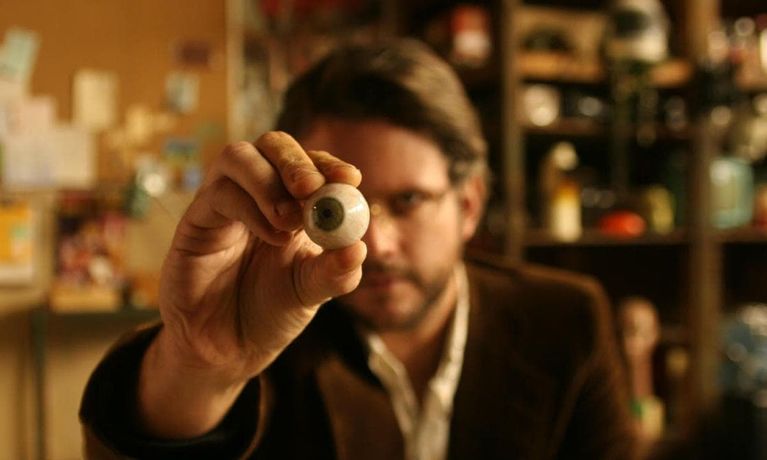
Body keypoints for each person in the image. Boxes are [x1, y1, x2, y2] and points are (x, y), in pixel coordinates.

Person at [80, 38, 638, 459]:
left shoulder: (567, 322)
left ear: (469, 205)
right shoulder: (269, 326)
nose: (376, 243)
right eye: (343, 206)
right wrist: (200, 364)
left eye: (410, 200)